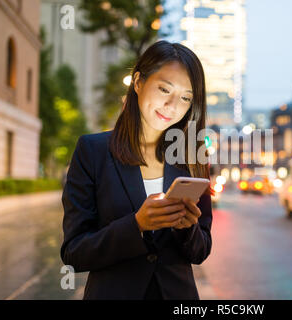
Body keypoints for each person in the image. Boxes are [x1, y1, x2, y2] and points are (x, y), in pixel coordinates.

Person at [60, 40, 213, 300]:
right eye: (164, 89)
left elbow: (201, 251)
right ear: (138, 83)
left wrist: (187, 228)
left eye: (186, 98)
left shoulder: (192, 158)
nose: (172, 105)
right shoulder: (93, 151)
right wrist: (136, 225)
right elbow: (74, 253)